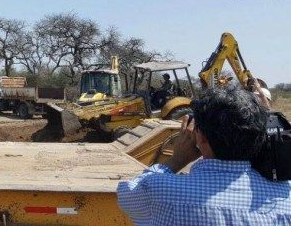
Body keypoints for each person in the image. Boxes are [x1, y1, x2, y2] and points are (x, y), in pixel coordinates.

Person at [117, 88, 291, 225]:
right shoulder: (284, 197)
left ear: (200, 136)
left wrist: (177, 160)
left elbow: (126, 195)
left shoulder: (161, 190)